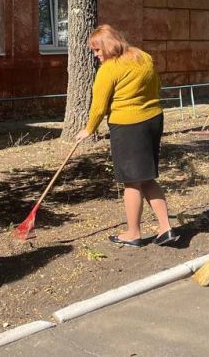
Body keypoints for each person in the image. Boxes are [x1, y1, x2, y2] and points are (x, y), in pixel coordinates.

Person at [75, 25, 178, 247]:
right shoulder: (144, 57)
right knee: (147, 177)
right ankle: (166, 228)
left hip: (129, 126)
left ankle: (133, 233)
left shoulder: (109, 69)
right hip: (153, 120)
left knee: (132, 182)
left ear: (108, 45)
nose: (96, 55)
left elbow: (99, 106)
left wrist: (89, 129)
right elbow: (157, 85)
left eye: (97, 49)